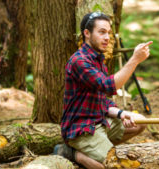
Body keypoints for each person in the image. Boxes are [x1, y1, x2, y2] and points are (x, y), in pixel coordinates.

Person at [53, 12, 152, 169]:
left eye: (108, 32)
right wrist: (134, 60)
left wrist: (121, 113)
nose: (107, 37)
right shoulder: (79, 61)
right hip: (82, 129)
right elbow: (108, 85)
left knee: (140, 122)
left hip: (101, 122)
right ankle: (73, 153)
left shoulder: (98, 59)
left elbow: (102, 101)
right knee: (113, 166)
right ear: (87, 33)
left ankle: (99, 149)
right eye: (101, 32)